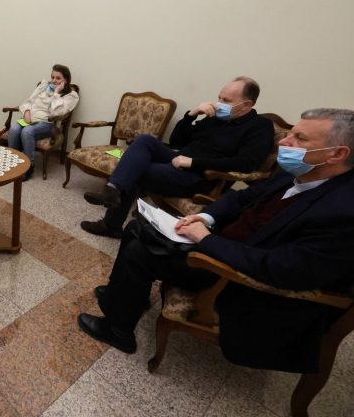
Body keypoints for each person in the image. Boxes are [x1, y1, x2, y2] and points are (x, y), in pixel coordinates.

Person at [77, 108, 354, 373]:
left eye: (300, 138)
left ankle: (118, 330)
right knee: (138, 226)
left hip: (235, 278)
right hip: (221, 240)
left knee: (140, 251)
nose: (284, 141)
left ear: (337, 154)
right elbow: (243, 197)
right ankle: (125, 298)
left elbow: (282, 269)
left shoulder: (343, 212)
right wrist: (205, 217)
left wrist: (207, 241)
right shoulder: (298, 173)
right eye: (291, 133)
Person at [81, 76, 274, 238]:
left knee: (138, 170)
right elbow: (176, 140)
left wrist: (193, 162)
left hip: (203, 176)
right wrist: (192, 114)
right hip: (179, 160)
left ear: (247, 105)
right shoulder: (215, 118)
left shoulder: (260, 126)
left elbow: (246, 163)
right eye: (219, 98)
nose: (219, 104)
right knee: (144, 140)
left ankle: (111, 225)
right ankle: (112, 189)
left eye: (227, 101)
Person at [7, 64, 79, 181]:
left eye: (58, 78)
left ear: (65, 80)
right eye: (53, 77)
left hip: (47, 123)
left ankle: (29, 167)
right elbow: (29, 101)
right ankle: (14, 162)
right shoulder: (44, 86)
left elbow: (57, 112)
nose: (54, 80)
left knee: (27, 131)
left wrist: (56, 93)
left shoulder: (71, 95)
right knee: (14, 129)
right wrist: (26, 111)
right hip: (30, 119)